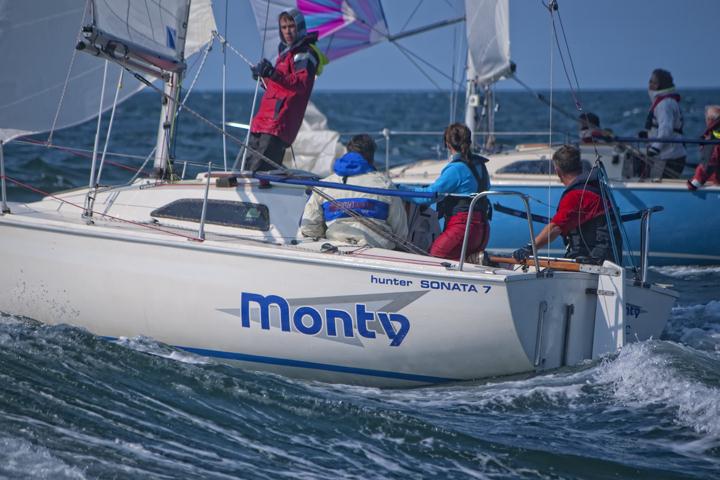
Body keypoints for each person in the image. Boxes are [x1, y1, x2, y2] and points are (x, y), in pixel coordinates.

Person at [243, 9, 327, 172]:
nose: (288, 31)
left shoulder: (304, 54)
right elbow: (279, 86)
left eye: (291, 26)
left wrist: (272, 73)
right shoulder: (285, 54)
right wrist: (263, 78)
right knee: (248, 170)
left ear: (300, 28)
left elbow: (300, 84)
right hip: (262, 121)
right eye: (284, 27)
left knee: (259, 173)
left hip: (278, 123)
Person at [512, 145, 622, 265]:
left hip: (594, 261)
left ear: (558, 171)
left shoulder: (576, 194)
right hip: (606, 258)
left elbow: (555, 228)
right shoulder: (595, 187)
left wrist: (528, 248)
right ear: (580, 166)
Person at [299, 134, 408, 249]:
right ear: (371, 157)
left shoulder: (324, 185)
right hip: (378, 250)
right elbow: (401, 234)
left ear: (348, 152)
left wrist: (323, 237)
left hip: (334, 248)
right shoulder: (386, 185)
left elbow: (309, 227)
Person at [401, 123, 491, 260]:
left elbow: (429, 196)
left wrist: (400, 190)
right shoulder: (481, 165)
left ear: (448, 145)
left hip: (463, 228)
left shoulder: (456, 169)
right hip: (482, 230)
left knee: (435, 257)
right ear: (469, 141)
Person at [639, 68, 686, 179]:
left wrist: (654, 149)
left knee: (657, 184)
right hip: (669, 154)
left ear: (660, 85)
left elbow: (666, 130)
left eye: (653, 82)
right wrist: (647, 135)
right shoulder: (666, 101)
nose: (649, 84)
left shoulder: (664, 104)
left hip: (669, 156)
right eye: (650, 81)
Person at [688, 105, 720, 190]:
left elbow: (709, 163)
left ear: (710, 120)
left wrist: (695, 183)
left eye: (706, 118)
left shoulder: (714, 141)